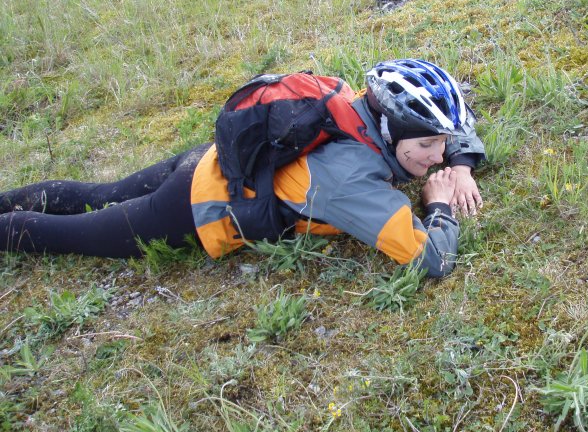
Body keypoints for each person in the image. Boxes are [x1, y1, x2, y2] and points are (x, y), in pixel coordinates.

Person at [0, 59, 485, 277]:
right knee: (73, 235)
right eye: (428, 145)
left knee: (97, 194)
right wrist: (438, 205)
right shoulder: (349, 180)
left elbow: (451, 128)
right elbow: (432, 260)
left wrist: (462, 165)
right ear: (388, 128)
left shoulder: (359, 105)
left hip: (207, 161)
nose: (437, 156)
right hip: (195, 206)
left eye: (442, 145)